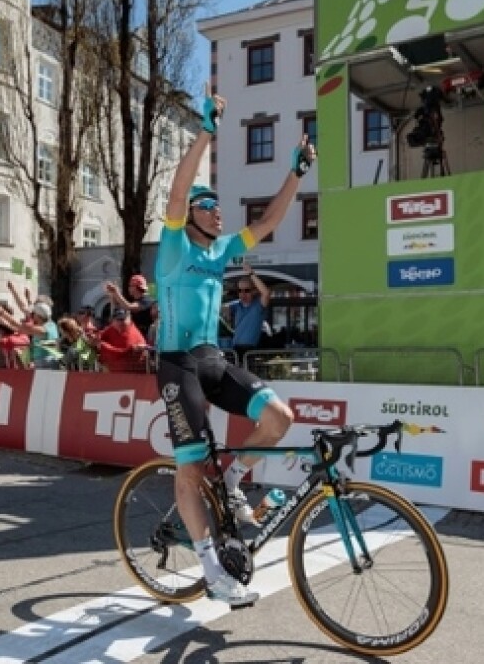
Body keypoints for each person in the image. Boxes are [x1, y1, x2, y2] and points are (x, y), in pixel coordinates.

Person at [153, 83, 313, 606]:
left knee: (279, 418)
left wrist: (296, 173)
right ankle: (212, 573)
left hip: (212, 359)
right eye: (208, 206)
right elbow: (177, 193)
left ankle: (236, 478)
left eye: (218, 207)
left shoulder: (221, 250)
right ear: (191, 216)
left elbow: (268, 222)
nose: (217, 212)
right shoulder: (174, 244)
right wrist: (207, 131)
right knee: (190, 466)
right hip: (177, 364)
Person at [226, 261, 271, 362]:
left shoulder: (258, 305)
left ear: (254, 291)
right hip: (234, 350)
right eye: (240, 290)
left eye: (247, 290)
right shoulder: (236, 305)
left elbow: (266, 293)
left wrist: (251, 274)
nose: (243, 294)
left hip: (250, 351)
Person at [95, 308, 149, 372]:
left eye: (122, 319)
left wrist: (103, 346)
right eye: (117, 319)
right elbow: (99, 337)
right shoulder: (111, 328)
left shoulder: (133, 334)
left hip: (132, 373)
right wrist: (95, 338)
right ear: (113, 320)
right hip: (114, 373)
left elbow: (122, 352)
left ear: (129, 319)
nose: (120, 322)